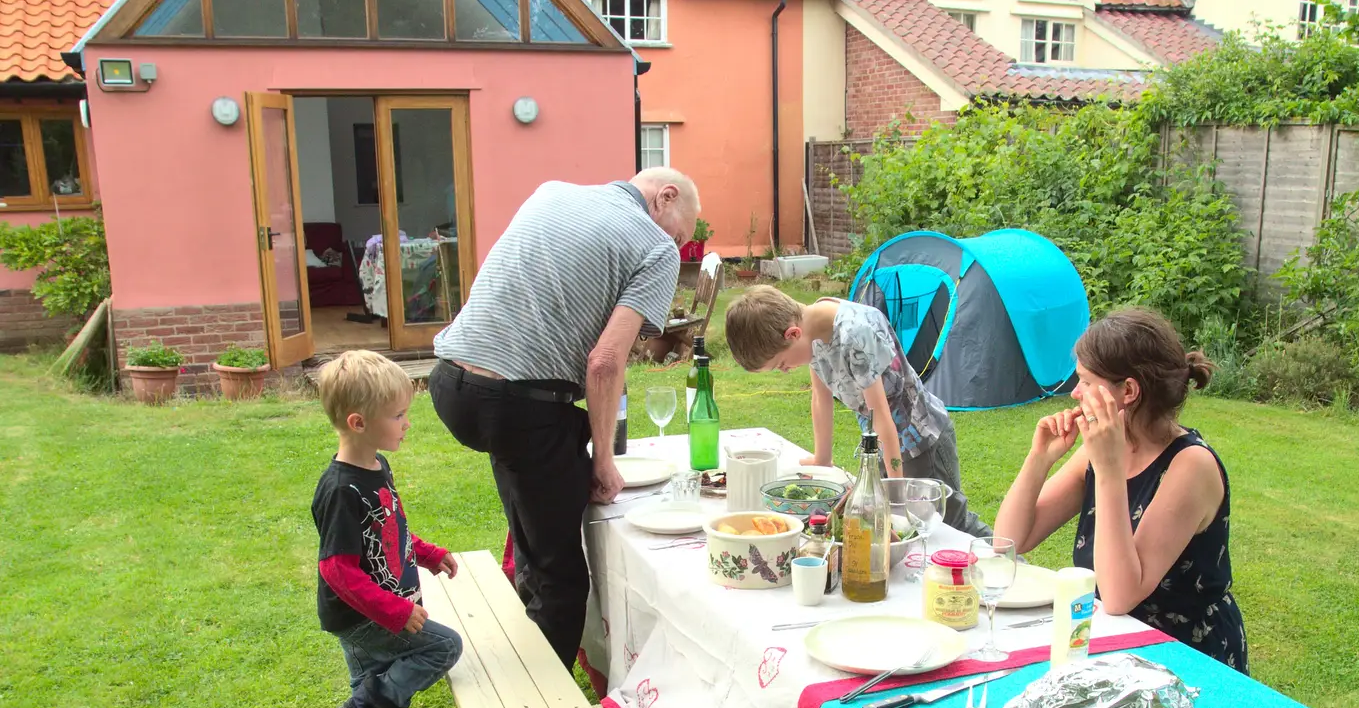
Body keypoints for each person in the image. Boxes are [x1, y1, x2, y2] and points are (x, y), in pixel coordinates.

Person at [429, 169, 698, 671]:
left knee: (542, 510)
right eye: (681, 236)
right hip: (515, 405)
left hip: (451, 383)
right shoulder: (655, 249)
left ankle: (524, 614)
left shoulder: (550, 192)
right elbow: (604, 362)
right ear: (665, 197)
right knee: (565, 582)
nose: (677, 248)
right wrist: (603, 460)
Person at [994, 308, 1248, 671]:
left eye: (1085, 381)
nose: (1075, 393)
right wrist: (1039, 458)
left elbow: (1118, 595)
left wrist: (1110, 471)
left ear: (1128, 390)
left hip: (1186, 658)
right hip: (1116, 644)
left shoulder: (1190, 465)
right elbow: (1009, 541)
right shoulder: (1101, 449)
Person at [313, 351, 464, 708]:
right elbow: (338, 570)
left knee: (369, 694)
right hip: (363, 618)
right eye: (398, 416)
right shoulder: (340, 489)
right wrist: (395, 612)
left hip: (382, 611)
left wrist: (426, 553)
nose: (407, 424)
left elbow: (388, 532)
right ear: (359, 422)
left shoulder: (375, 466)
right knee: (444, 646)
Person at [723, 285, 988, 537]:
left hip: (922, 442)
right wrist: (822, 458)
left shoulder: (854, 334)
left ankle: (1013, 560)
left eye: (781, 364)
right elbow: (820, 396)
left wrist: (894, 495)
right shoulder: (813, 327)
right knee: (907, 530)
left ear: (792, 334)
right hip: (886, 447)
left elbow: (882, 417)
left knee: (949, 525)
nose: (785, 370)